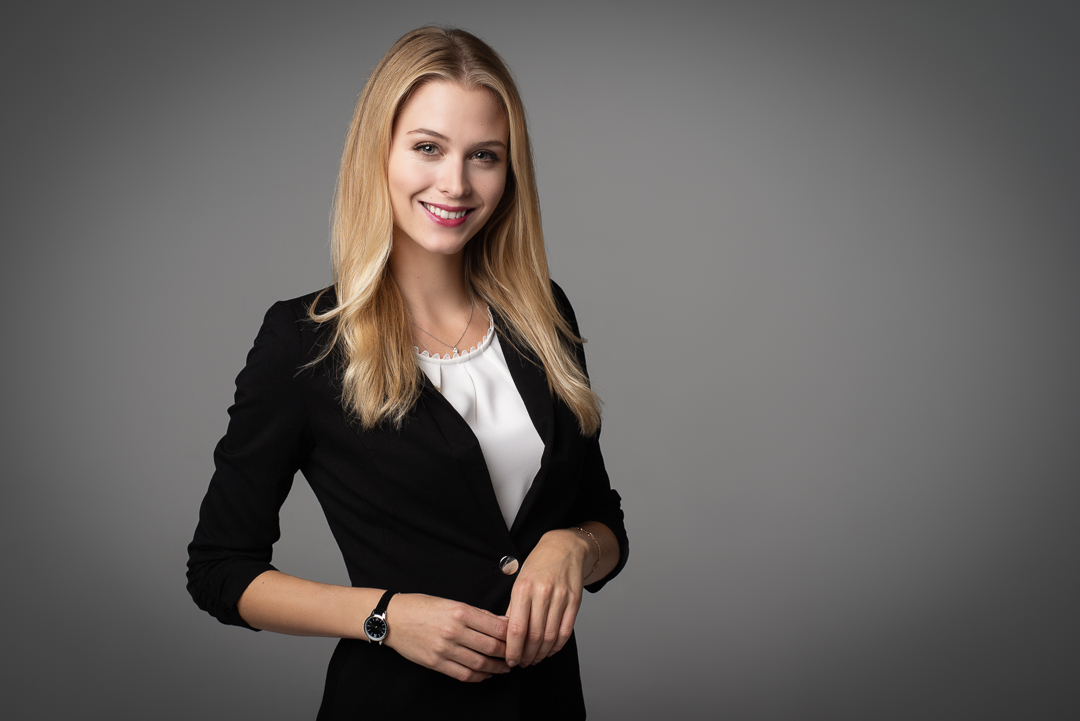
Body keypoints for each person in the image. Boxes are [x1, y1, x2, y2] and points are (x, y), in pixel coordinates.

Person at [187, 26, 628, 719]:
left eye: (484, 156)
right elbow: (219, 568)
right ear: (379, 153)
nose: (456, 183)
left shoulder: (544, 315)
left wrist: (573, 546)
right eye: (428, 147)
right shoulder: (304, 343)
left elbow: (604, 520)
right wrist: (384, 616)